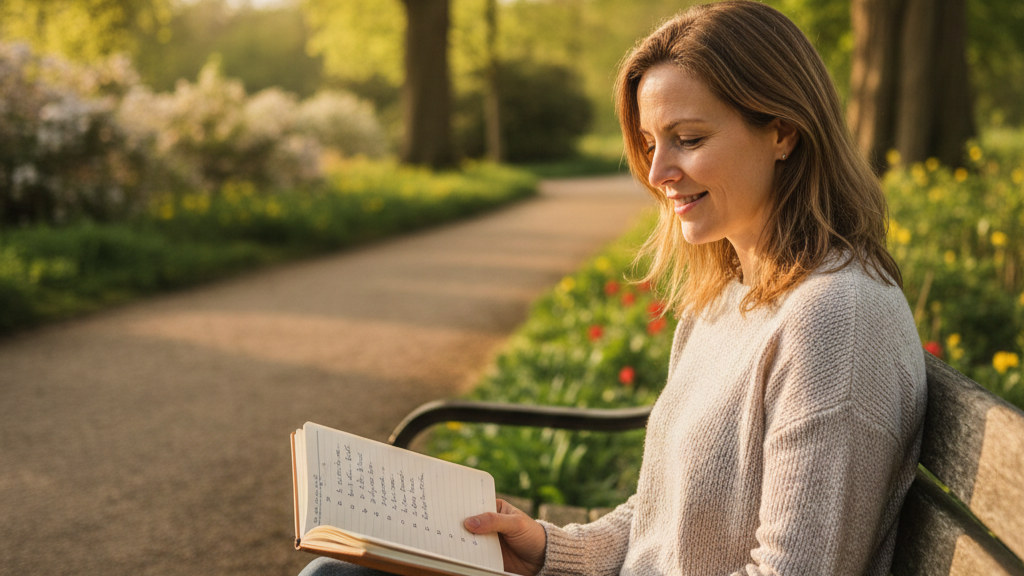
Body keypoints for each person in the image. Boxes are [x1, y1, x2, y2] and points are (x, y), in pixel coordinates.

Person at [299, 2, 927, 575]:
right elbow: (661, 519)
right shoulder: (726, 300)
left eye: (689, 139)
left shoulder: (838, 318)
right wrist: (547, 547)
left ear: (783, 131)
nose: (658, 173)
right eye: (653, 143)